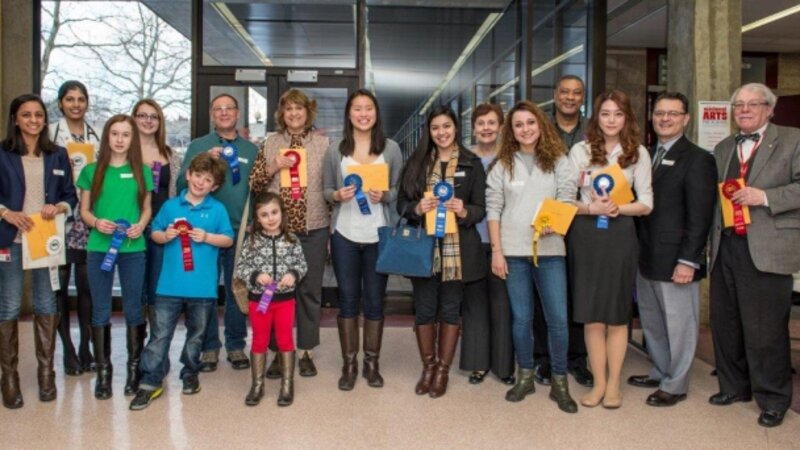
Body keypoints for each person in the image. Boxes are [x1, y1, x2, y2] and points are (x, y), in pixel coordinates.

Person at [708, 83, 800, 428]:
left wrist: (764, 197)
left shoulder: (792, 140)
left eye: (752, 104)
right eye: (738, 105)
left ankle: (774, 398)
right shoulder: (722, 147)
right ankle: (734, 387)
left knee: (765, 329)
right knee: (726, 322)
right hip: (725, 246)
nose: (744, 110)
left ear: (770, 109)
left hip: (767, 248)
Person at [486, 100, 578, 413]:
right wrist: (497, 251)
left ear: (541, 125)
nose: (526, 129)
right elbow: (493, 209)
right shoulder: (502, 164)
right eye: (518, 125)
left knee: (558, 320)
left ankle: (560, 382)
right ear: (511, 131)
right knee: (521, 318)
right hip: (513, 252)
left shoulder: (560, 160)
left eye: (530, 123)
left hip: (551, 251)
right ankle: (524, 375)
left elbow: (568, 198)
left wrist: (558, 223)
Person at [627, 91, 716, 407]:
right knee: (652, 320)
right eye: (660, 113)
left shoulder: (698, 159)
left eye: (673, 113)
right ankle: (661, 369)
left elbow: (700, 216)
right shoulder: (645, 155)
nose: (665, 118)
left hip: (676, 258)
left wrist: (688, 260)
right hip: (645, 256)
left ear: (686, 118)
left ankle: (676, 383)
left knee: (680, 323)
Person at [567, 90, 652, 409]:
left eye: (618, 114)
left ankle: (614, 382)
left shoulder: (638, 153)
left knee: (616, 314)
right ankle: (598, 382)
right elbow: (565, 197)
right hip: (586, 235)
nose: (612, 120)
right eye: (605, 113)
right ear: (596, 117)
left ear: (626, 118)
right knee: (591, 314)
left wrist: (620, 207)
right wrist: (590, 208)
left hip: (620, 235)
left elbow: (647, 203)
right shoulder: (580, 150)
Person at [129, 153, 233, 411]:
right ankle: (151, 381)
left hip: (202, 288)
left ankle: (190, 372)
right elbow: (154, 233)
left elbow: (228, 239)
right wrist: (165, 235)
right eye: (197, 175)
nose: (200, 182)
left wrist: (208, 237)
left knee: (196, 335)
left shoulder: (217, 210)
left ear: (215, 186)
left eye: (207, 179)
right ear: (188, 175)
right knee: (160, 335)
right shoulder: (170, 207)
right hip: (168, 287)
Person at [397, 105, 486, 398]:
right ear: (429, 131)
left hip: (457, 250)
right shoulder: (417, 163)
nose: (442, 133)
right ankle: (428, 366)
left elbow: (480, 209)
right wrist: (416, 208)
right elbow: (401, 204)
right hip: (424, 246)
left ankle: (443, 369)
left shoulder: (473, 163)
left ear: (456, 128)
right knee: (424, 309)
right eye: (435, 128)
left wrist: (464, 210)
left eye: (446, 126)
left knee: (449, 308)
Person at [0, 94, 77, 409]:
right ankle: (9, 377)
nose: (33, 120)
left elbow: (70, 196)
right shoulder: (2, 153)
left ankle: (47, 373)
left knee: (47, 302)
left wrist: (57, 206)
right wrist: (5, 213)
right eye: (26, 115)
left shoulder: (57, 155)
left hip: (46, 242)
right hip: (11, 240)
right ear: (15, 119)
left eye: (38, 115)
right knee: (10, 305)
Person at [323, 89, 403, 390]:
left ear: (376, 113)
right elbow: (325, 190)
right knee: (346, 300)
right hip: (344, 234)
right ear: (349, 113)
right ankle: (349, 365)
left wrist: (385, 195)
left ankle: (372, 363)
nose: (363, 113)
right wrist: (336, 195)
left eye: (368, 108)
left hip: (378, 235)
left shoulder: (391, 148)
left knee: (374, 300)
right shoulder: (336, 150)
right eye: (357, 108)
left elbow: (399, 190)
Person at [250, 89, 330, 378]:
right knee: (275, 292)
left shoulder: (323, 144)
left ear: (308, 112)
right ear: (281, 115)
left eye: (299, 108)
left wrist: (330, 231)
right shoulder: (271, 143)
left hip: (315, 227)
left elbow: (330, 187)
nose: (294, 113)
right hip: (278, 234)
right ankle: (278, 352)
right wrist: (274, 166)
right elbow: (254, 183)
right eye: (288, 109)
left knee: (309, 292)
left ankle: (306, 351)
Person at [177, 93, 258, 372]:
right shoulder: (199, 146)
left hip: (240, 231)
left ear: (237, 114)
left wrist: (255, 221)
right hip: (202, 233)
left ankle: (236, 345)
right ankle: (209, 346)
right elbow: (180, 185)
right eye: (218, 109)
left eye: (229, 108)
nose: (224, 113)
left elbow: (257, 188)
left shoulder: (250, 149)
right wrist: (199, 161)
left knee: (237, 290)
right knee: (206, 290)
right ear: (212, 115)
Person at [77, 114, 153, 399]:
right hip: (99, 248)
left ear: (132, 140)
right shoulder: (92, 171)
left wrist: (141, 225)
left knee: (134, 307)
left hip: (133, 249)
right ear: (107, 137)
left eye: (125, 135)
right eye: (115, 134)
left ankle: (134, 370)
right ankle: (104, 372)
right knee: (100, 308)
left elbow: (146, 208)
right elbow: (84, 210)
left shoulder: (142, 171)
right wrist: (96, 222)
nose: (120, 139)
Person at [534, 75, 593, 387]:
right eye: (565, 92)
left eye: (577, 93)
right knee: (546, 291)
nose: (570, 97)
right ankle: (544, 358)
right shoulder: (540, 130)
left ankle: (577, 358)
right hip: (546, 223)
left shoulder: (593, 131)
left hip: (583, 223)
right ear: (555, 94)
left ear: (583, 97)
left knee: (578, 291)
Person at [236, 192, 307, 407]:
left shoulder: (292, 240)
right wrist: (256, 276)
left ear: (282, 213)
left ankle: (287, 384)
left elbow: (302, 264)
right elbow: (241, 267)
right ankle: (257, 385)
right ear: (257, 218)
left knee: (285, 339)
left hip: (285, 301)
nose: (270, 218)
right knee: (259, 340)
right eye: (264, 214)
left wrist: (293, 274)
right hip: (259, 301)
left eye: (274, 212)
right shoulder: (252, 241)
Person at [461, 102, 515, 386]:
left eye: (491, 123)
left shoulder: (511, 159)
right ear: (474, 127)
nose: (486, 128)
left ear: (501, 127)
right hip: (471, 241)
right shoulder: (465, 158)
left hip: (504, 243)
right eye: (480, 123)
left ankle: (503, 365)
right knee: (474, 305)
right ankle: (477, 363)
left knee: (502, 304)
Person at [50, 80, 100, 376]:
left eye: (81, 99)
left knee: (86, 287)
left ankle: (86, 346)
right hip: (56, 217)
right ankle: (67, 350)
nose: (76, 104)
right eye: (70, 99)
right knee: (58, 288)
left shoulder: (95, 135)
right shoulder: (50, 135)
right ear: (61, 103)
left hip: (87, 217)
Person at [132, 99, 182, 323]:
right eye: (142, 115)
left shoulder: (171, 155)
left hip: (163, 229)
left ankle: (156, 350)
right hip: (132, 227)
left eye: (153, 117)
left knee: (158, 286)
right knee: (135, 287)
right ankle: (136, 352)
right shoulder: (124, 153)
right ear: (134, 119)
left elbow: (179, 191)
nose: (148, 121)